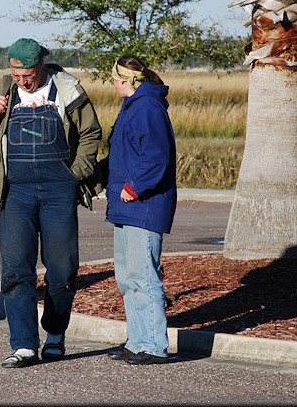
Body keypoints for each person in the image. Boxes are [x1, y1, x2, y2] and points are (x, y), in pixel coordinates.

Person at [0, 38, 102, 368]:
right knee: (16, 271)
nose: (22, 82)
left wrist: (77, 173)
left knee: (62, 271)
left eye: (27, 76)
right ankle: (24, 345)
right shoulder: (2, 88)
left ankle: (56, 335)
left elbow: (91, 133)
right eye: (17, 76)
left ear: (41, 65)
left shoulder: (67, 88)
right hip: (16, 192)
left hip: (59, 189)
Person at [104, 54, 177, 365]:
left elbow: (156, 157)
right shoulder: (132, 106)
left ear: (128, 81)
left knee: (144, 277)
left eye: (115, 80)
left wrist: (134, 188)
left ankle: (152, 346)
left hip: (143, 206)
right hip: (125, 208)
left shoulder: (146, 106)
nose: (113, 84)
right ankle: (137, 341)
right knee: (128, 277)